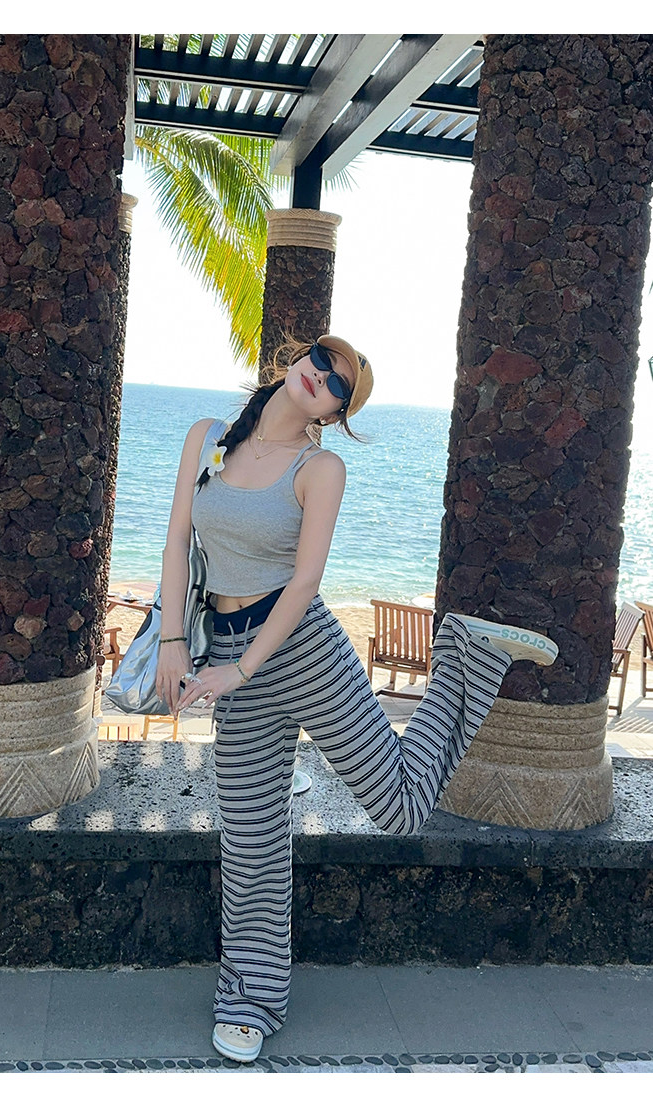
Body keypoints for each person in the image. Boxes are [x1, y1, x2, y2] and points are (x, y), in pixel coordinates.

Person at [155, 335, 558, 1064]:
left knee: (401, 808)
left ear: (336, 414)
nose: (322, 378)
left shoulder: (320, 469)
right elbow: (180, 537)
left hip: (302, 649)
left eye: (339, 386)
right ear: (295, 359)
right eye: (320, 360)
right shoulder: (207, 438)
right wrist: (174, 642)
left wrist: (242, 670)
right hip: (223, 650)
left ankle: (466, 655)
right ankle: (250, 998)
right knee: (249, 837)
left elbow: (306, 581)